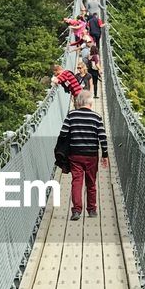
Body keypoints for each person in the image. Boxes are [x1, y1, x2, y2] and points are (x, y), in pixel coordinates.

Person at [61, 91, 109, 220]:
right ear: (91, 103)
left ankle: (76, 210)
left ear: (78, 102)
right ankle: (92, 210)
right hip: (91, 155)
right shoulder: (96, 117)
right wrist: (105, 154)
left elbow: (63, 134)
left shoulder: (71, 115)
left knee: (77, 182)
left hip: (75, 154)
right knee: (91, 182)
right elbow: (102, 138)